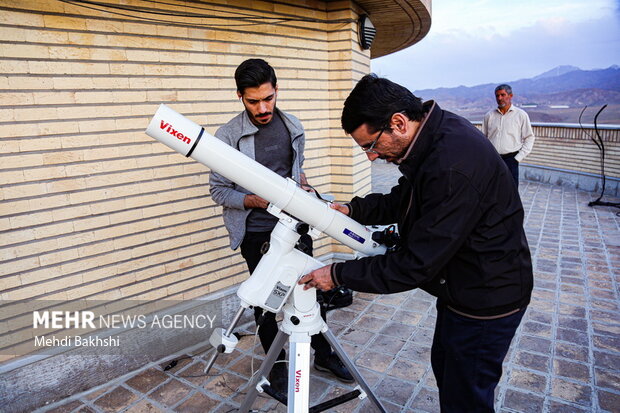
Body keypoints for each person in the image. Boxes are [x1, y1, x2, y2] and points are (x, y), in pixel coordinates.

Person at [299, 74, 533, 412]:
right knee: (449, 374)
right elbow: (406, 198)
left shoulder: (452, 165)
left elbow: (413, 265)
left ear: (398, 123)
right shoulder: (434, 137)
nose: (370, 156)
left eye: (371, 145)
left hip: (487, 299)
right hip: (463, 290)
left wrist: (336, 275)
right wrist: (352, 209)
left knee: (465, 396)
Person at [209, 58, 353, 397]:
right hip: (258, 234)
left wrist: (306, 190)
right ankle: (277, 369)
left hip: (296, 229)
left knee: (309, 293)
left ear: (276, 91)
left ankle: (324, 355)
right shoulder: (227, 135)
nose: (262, 108)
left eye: (268, 98)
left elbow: (296, 173)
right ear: (239, 97)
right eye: (253, 101)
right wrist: (258, 200)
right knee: (267, 303)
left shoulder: (292, 126)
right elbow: (218, 190)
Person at [482, 84, 535, 186]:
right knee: (492, 189)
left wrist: (518, 158)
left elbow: (529, 137)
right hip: (494, 159)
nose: (499, 98)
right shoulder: (489, 115)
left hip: (511, 160)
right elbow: (484, 138)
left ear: (510, 96)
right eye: (497, 96)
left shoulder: (520, 115)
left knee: (511, 191)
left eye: (503, 95)